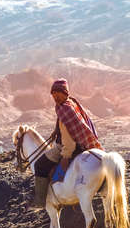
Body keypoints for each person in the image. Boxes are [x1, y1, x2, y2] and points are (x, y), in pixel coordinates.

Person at [28, 78, 103, 209]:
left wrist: (66, 156)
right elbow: (66, 126)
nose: (55, 96)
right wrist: (56, 131)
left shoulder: (65, 111)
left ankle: (40, 201)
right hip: (81, 145)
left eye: (58, 93)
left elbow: (68, 138)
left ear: (65, 93)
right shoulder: (69, 104)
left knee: (40, 165)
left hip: (66, 147)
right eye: (53, 94)